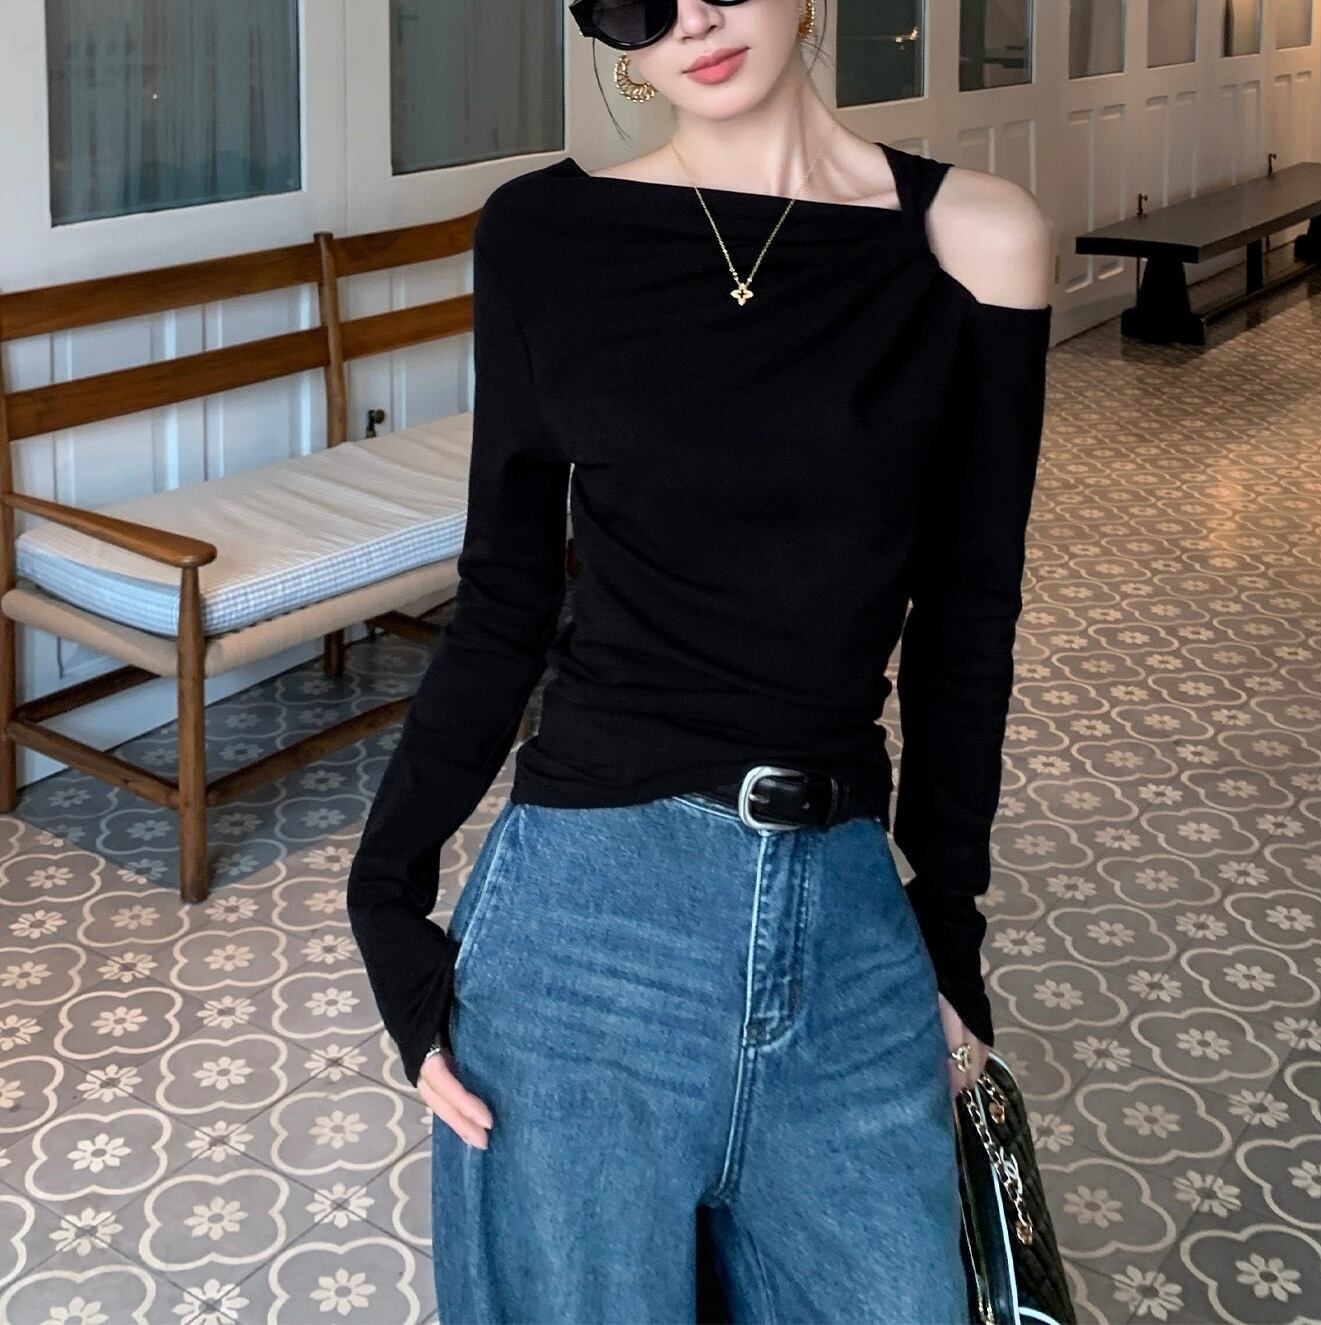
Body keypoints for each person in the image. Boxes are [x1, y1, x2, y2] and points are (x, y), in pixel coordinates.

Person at [347, 0, 1055, 1319]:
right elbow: (505, 599)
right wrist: (383, 895)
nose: (694, 18)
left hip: (845, 910)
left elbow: (970, 620)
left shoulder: (975, 240)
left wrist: (949, 927)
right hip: (581, 918)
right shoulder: (547, 235)